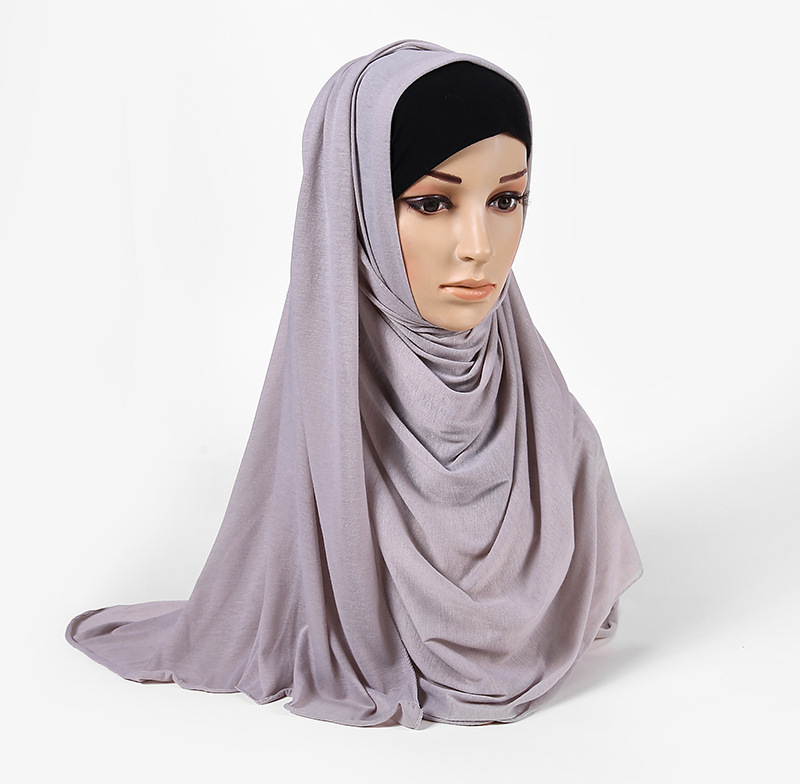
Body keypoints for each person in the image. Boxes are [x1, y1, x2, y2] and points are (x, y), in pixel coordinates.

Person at [66, 40, 642, 728]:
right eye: (432, 203)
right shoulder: (324, 453)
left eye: (505, 199)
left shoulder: (561, 445)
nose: (479, 246)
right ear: (356, 209)